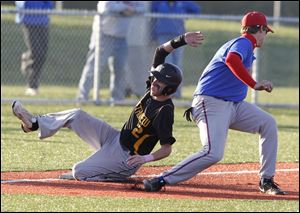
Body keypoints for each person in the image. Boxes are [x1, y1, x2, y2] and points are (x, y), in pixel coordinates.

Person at [12, 31, 204, 182]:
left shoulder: (164, 111)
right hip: (115, 137)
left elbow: (166, 149)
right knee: (76, 115)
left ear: (169, 89)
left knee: (79, 171)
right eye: (155, 79)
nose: (154, 82)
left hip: (127, 158)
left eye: (159, 83)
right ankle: (34, 124)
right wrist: (182, 40)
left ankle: (105, 174)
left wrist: (144, 159)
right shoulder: (152, 90)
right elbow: (160, 52)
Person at [143, 11, 286, 196]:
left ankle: (266, 180)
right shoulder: (243, 42)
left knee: (268, 123)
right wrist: (254, 84)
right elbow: (232, 60)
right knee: (213, 152)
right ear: (259, 29)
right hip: (210, 103)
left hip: (233, 105)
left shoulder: (246, 46)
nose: (266, 35)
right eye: (266, 31)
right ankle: (162, 179)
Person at [76, 1, 146, 103]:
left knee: (119, 70)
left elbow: (142, 8)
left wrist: (132, 10)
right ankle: (82, 97)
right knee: (94, 68)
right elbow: (104, 7)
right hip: (103, 35)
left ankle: (116, 99)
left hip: (122, 37)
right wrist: (124, 8)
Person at [151, 1, 200, 98]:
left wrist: (184, 14)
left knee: (177, 65)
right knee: (165, 65)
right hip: (162, 35)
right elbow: (152, 12)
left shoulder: (182, 2)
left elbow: (196, 10)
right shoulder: (158, 2)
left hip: (178, 36)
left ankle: (176, 92)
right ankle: (165, 91)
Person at [15, 1, 54, 96]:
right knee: (36, 52)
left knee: (42, 55)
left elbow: (49, 3)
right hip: (28, 20)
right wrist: (25, 7)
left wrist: (45, 9)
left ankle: (26, 58)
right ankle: (32, 86)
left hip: (43, 20)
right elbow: (20, 3)